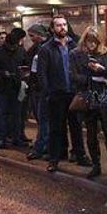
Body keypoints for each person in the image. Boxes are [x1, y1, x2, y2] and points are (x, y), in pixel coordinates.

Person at [69, 27, 107, 179]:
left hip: (104, 97)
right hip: (87, 97)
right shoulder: (76, 54)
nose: (91, 45)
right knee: (91, 134)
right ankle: (96, 165)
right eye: (89, 41)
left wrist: (102, 70)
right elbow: (73, 76)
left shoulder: (106, 54)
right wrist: (90, 79)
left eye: (95, 42)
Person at [38, 15, 84, 172]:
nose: (62, 27)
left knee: (76, 127)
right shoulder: (46, 48)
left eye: (64, 24)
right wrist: (47, 93)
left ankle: (80, 156)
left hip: (73, 92)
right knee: (56, 128)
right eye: (58, 25)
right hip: (56, 93)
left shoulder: (75, 45)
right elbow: (42, 73)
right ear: (52, 29)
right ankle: (54, 159)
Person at [0, 28, 27, 149]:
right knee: (2, 113)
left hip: (16, 86)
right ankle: (2, 138)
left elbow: (25, 64)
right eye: (10, 47)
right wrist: (3, 73)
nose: (12, 49)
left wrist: (24, 73)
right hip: (1, 86)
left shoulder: (20, 51)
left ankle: (16, 138)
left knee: (17, 114)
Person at [25, 24, 51, 160]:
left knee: (43, 119)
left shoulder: (46, 47)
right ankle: (43, 145)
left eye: (32, 35)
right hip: (36, 87)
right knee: (41, 119)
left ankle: (41, 147)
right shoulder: (37, 48)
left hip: (43, 89)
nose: (31, 39)